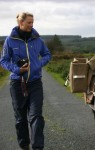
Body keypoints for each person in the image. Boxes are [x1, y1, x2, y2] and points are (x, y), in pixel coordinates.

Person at [0, 12, 51, 150]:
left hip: (35, 83)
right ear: (21, 23)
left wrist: (37, 65)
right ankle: (24, 145)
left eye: (33, 22)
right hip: (17, 84)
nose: (32, 25)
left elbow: (47, 55)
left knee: (36, 116)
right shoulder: (10, 40)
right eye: (29, 22)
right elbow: (3, 60)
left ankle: (37, 147)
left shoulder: (38, 39)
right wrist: (17, 70)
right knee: (20, 118)